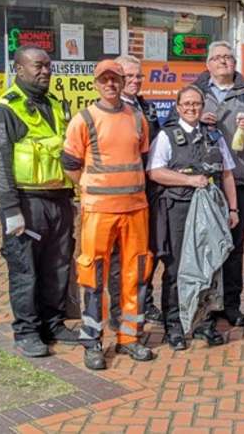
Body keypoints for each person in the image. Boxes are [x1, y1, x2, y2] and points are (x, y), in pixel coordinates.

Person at [0, 46, 78, 357]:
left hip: (59, 200)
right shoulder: (5, 109)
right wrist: (11, 209)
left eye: (49, 67)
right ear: (19, 69)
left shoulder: (54, 103)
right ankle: (26, 331)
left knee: (58, 266)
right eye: (37, 66)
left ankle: (53, 324)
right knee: (25, 269)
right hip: (26, 202)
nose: (45, 72)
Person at [62, 59, 154, 370]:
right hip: (99, 211)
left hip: (135, 210)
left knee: (136, 273)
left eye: (116, 78)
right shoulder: (84, 120)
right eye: (105, 80)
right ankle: (93, 341)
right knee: (93, 276)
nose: (111, 84)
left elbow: (141, 158)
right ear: (96, 83)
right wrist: (91, 188)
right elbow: (70, 165)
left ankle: (130, 338)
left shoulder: (137, 118)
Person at [146, 86, 239, 350]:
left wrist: (233, 210)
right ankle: (174, 326)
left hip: (210, 211)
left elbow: (228, 174)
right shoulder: (166, 136)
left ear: (202, 106)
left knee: (210, 266)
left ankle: (203, 323)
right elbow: (154, 171)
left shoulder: (214, 136)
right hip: (178, 208)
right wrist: (188, 180)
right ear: (177, 107)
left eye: (196, 104)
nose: (191, 108)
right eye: (186, 104)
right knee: (176, 269)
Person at [193, 41, 244, 327]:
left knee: (235, 245)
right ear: (208, 64)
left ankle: (231, 304)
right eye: (217, 58)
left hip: (240, 178)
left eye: (228, 57)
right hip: (205, 181)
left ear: (235, 63)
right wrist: (197, 120)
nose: (223, 62)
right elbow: (173, 123)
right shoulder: (196, 92)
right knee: (205, 245)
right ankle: (207, 305)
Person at [108, 55, 162, 330]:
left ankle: (145, 301)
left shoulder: (146, 107)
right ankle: (119, 309)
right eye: (129, 76)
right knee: (119, 257)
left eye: (139, 76)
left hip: (147, 191)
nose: (135, 81)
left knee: (145, 251)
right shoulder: (111, 110)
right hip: (119, 196)